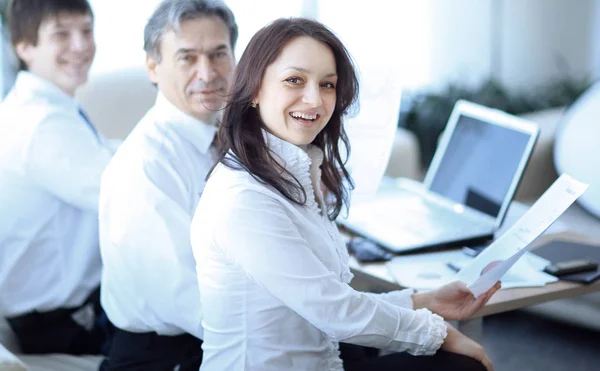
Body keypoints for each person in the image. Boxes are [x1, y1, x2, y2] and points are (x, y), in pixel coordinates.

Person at [191, 17, 499, 371]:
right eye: (295, 80)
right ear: (255, 89)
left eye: (327, 84)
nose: (315, 99)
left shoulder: (292, 173)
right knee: (459, 365)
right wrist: (440, 333)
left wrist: (425, 301)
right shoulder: (244, 198)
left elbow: (330, 297)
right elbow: (335, 311)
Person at [98, 0, 237, 369]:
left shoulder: (222, 138)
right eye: (187, 58)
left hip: (215, 337)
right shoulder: (145, 165)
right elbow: (190, 301)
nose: (207, 74)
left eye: (219, 54)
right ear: (152, 67)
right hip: (165, 357)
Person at [0, 0, 117, 355]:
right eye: (61, 35)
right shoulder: (42, 125)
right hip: (62, 325)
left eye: (86, 30)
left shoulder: (41, 106)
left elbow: (106, 155)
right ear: (24, 47)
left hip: (67, 310)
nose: (81, 45)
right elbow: (127, 196)